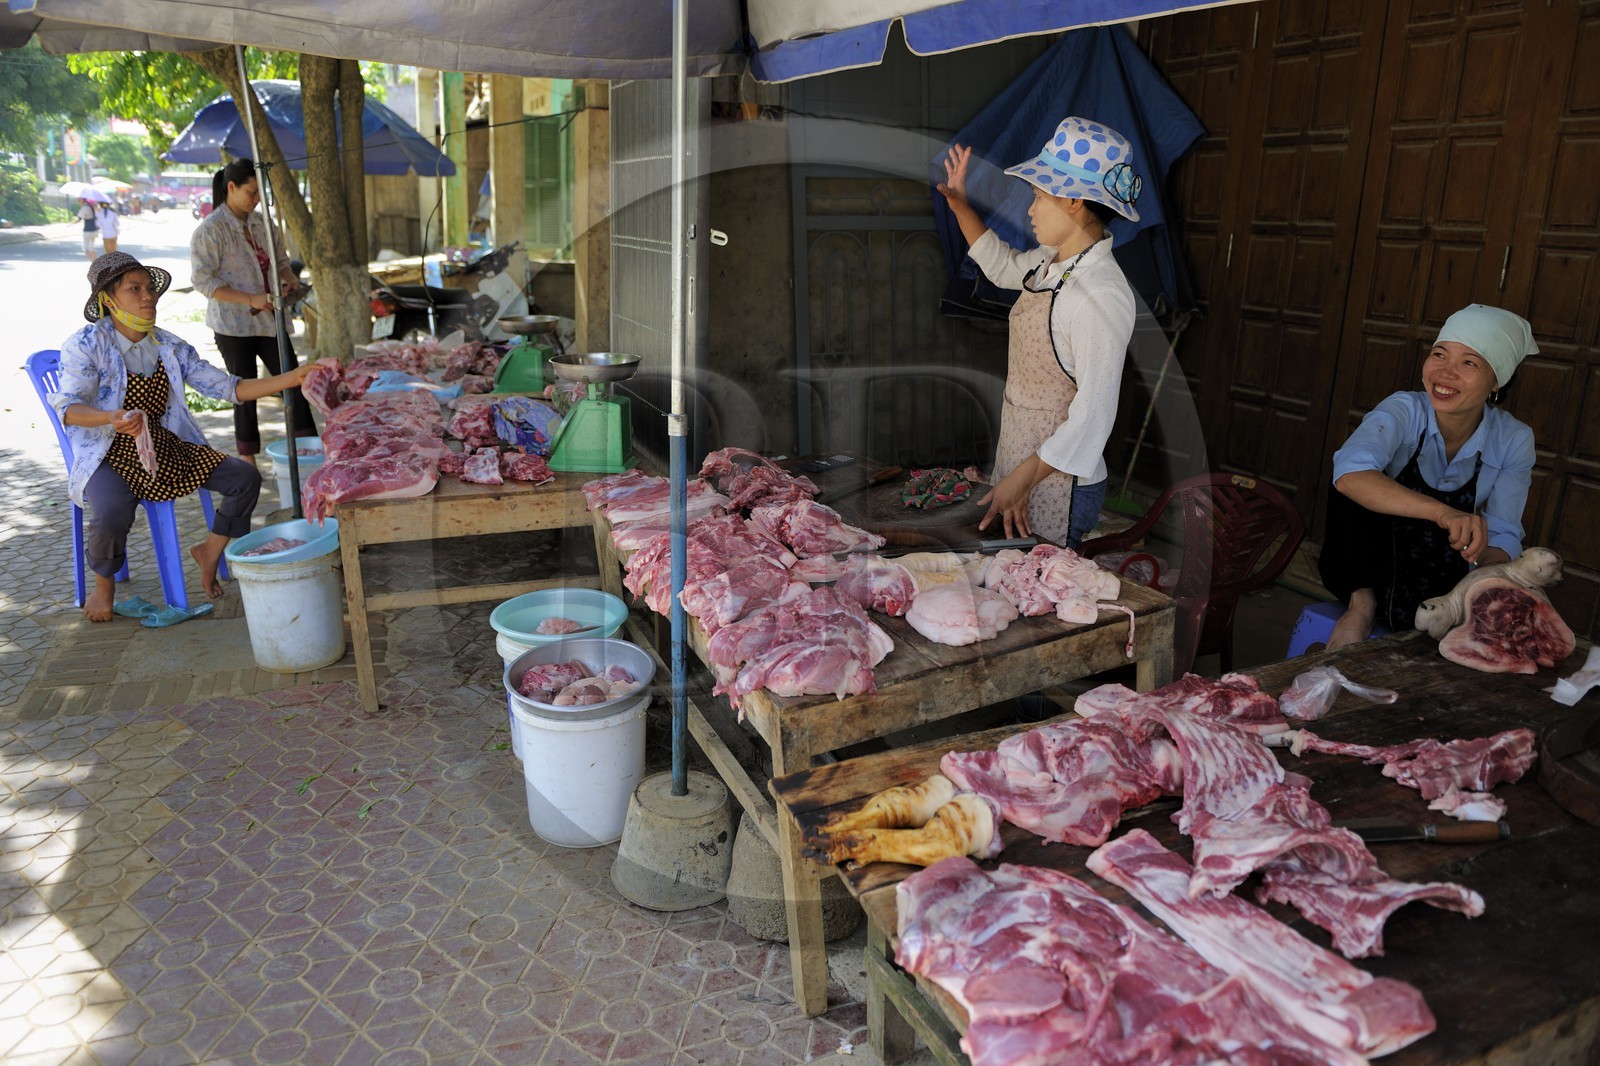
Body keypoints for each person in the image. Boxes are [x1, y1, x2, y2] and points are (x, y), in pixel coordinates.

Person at [49, 252, 314, 623]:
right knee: (111, 511)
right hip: (106, 449)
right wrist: (110, 416)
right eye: (135, 289)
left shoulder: (168, 345)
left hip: (161, 445)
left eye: (150, 289)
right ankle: (103, 585)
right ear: (108, 300)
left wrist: (292, 378)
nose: (148, 297)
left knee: (245, 478)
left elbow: (227, 387)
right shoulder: (86, 344)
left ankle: (210, 550)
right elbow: (68, 408)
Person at [936, 116, 1140, 549]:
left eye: (1038, 197)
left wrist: (1022, 479)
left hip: (1060, 481)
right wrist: (959, 205)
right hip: (1020, 458)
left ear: (1072, 202)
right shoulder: (1054, 260)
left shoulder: (1101, 293)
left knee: (1041, 594)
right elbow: (1003, 267)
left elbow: (1094, 414)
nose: (1029, 209)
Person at [1320, 305, 1539, 649]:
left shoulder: (1514, 438)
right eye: (1439, 354)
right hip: (1373, 561)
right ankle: (1361, 607)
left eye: (1468, 362)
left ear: (1497, 381)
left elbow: (1504, 533)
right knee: (1353, 487)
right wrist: (1442, 512)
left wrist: (1480, 583)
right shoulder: (1404, 410)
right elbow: (1350, 475)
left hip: (1443, 572)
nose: (1445, 372)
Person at [189, 158, 316, 465]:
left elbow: (282, 263)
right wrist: (249, 299)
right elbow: (203, 282)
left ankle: (310, 450)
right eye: (251, 191)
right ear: (230, 187)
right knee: (243, 392)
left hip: (272, 321)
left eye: (260, 193)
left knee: (296, 382)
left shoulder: (262, 223)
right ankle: (248, 460)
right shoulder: (210, 229)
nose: (256, 198)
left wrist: (291, 283)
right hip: (234, 327)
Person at [76, 197, 100, 262]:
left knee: (87, 249)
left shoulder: (85, 207)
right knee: (91, 248)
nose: (77, 200)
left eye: (79, 199)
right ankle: (96, 263)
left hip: (88, 230)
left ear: (82, 199)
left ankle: (94, 263)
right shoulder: (92, 206)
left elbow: (79, 218)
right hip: (94, 230)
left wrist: (71, 223)